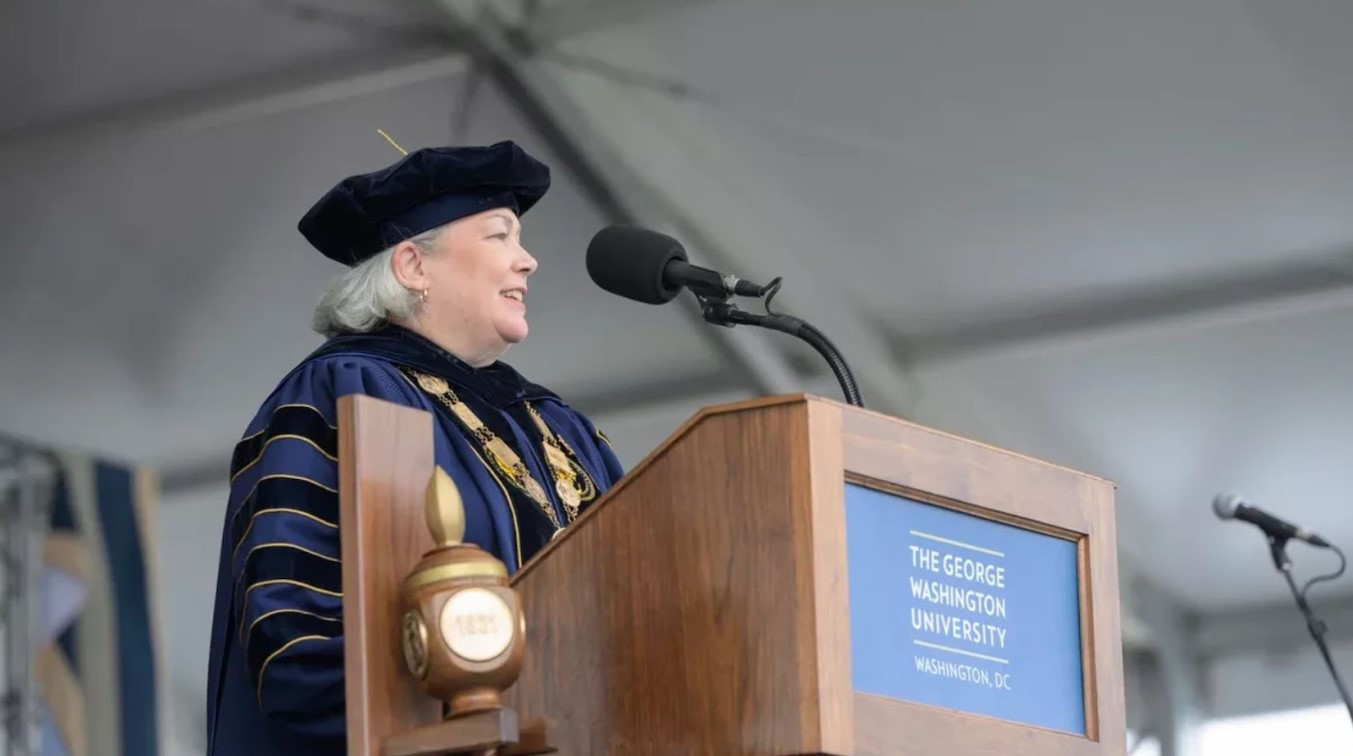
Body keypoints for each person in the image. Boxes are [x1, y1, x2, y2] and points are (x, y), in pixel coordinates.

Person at [204, 140, 625, 755]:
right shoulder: (346, 391)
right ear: (412, 266)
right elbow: (293, 641)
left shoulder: (558, 425)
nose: (528, 260)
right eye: (499, 236)